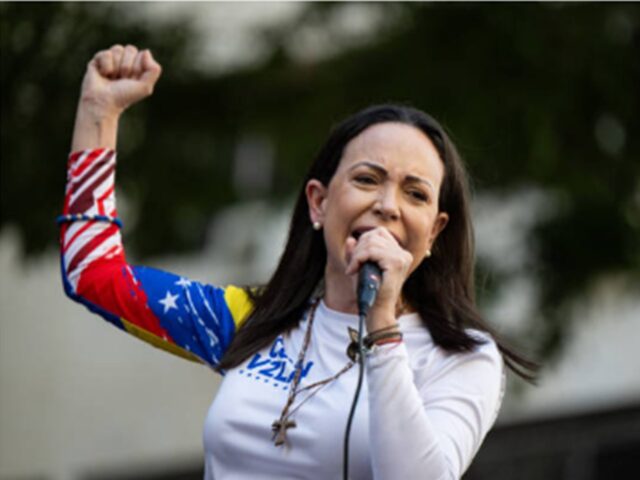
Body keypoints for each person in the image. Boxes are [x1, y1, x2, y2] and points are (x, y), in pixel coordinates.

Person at [59, 44, 536, 480]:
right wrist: (99, 113)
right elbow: (91, 273)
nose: (388, 205)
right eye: (367, 179)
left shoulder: (459, 356)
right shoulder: (252, 320)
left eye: (415, 193)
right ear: (318, 203)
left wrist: (383, 326)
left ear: (434, 232)